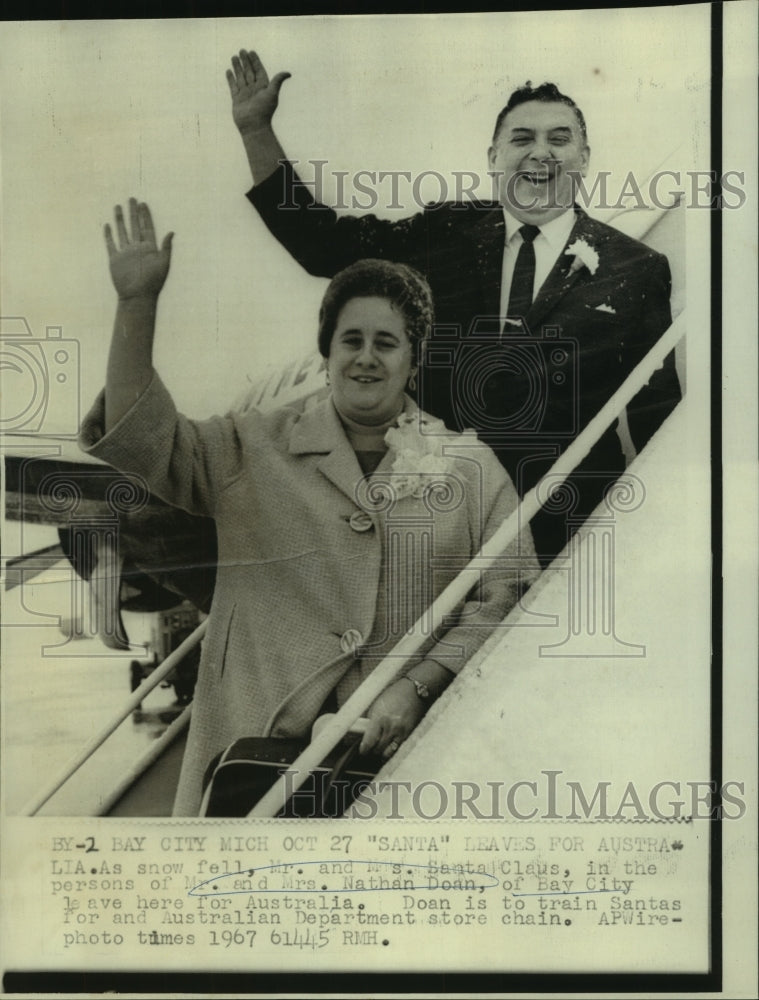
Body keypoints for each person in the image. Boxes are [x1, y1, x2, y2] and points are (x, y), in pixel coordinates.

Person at [79, 199, 539, 816]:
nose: (367, 357)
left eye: (387, 342)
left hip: (406, 768)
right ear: (327, 351)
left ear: (414, 357)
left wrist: (416, 687)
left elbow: (507, 595)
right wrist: (136, 305)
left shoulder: (470, 467)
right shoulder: (248, 447)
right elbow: (141, 437)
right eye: (351, 339)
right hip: (252, 771)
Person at [227, 50, 682, 567]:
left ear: (584, 157)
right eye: (522, 138)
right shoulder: (443, 234)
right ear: (492, 157)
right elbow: (323, 246)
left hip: (572, 539)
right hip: (441, 533)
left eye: (560, 139)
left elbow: (655, 421)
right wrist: (255, 131)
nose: (542, 153)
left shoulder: (637, 267)